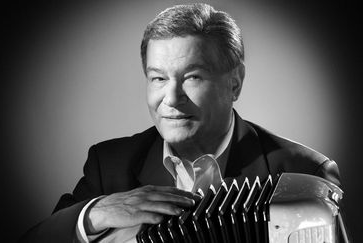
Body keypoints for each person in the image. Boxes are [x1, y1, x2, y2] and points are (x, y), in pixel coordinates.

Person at [20, 3, 341, 243]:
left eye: (192, 77)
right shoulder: (109, 165)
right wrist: (94, 214)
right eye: (158, 78)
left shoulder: (303, 172)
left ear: (235, 83)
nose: (171, 98)